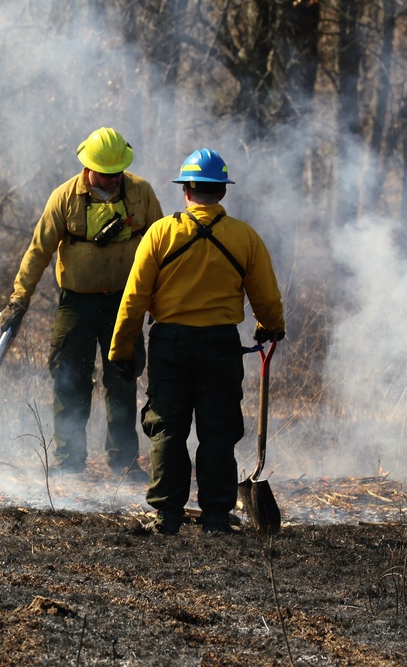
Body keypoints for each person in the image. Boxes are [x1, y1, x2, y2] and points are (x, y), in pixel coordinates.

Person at [108, 148, 286, 534]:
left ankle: (167, 516)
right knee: (218, 430)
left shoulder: (161, 232)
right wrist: (269, 327)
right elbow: (267, 298)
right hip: (220, 347)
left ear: (185, 190)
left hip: (169, 344)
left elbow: (134, 297)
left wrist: (121, 348)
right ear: (221, 192)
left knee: (168, 428)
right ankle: (217, 518)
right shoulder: (245, 237)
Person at [0, 127, 163, 481]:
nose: (112, 179)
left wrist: (160, 303)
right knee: (69, 378)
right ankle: (68, 461)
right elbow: (39, 250)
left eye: (117, 172)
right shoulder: (64, 198)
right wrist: (19, 299)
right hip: (77, 304)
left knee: (122, 378)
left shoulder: (141, 194)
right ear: (88, 167)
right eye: (106, 173)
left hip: (125, 303)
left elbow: (160, 247)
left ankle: (123, 462)